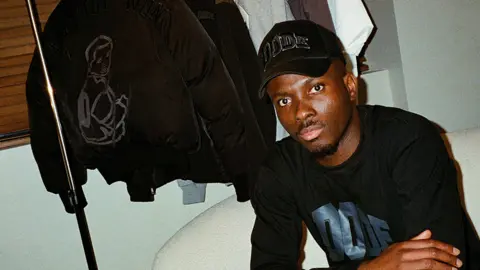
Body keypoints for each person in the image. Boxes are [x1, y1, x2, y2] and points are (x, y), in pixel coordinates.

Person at [250, 20, 480, 270]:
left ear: (349, 86)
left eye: (316, 88)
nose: (300, 112)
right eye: (284, 101)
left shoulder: (409, 142)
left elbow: (437, 264)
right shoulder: (279, 171)